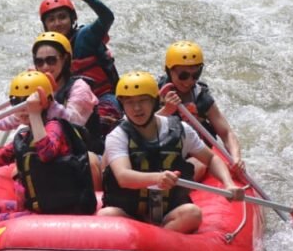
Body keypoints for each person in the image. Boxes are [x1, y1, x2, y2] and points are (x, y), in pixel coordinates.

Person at [98, 71, 243, 234]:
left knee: (192, 213)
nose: (137, 108)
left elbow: (211, 159)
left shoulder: (180, 130)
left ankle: (157, 240)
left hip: (170, 214)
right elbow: (123, 177)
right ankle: (154, 241)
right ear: (122, 105)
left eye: (142, 101)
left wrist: (228, 183)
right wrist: (157, 178)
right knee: (106, 215)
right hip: (130, 215)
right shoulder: (118, 135)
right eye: (129, 102)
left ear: (154, 101)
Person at [0, 70, 98, 223]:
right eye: (17, 103)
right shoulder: (24, 137)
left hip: (61, 208)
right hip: (38, 206)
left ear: (44, 102)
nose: (22, 108)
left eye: (26, 102)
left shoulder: (55, 126)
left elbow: (46, 153)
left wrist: (34, 113)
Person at [0, 32, 104, 152]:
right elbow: (13, 120)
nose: (45, 67)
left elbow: (74, 123)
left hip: (83, 154)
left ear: (65, 59)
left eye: (51, 60)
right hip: (51, 151)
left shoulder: (80, 88)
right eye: (39, 62)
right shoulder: (34, 86)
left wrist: (49, 104)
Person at [38, 0, 121, 135]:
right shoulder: (45, 50)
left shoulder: (85, 37)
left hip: (102, 97)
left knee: (103, 121)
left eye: (62, 17)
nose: (57, 23)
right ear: (45, 25)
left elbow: (107, 17)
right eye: (51, 19)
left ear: (73, 19)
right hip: (68, 101)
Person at [157, 40, 245, 180]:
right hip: (162, 150)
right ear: (169, 70)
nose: (189, 81)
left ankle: (177, 184)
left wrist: (236, 157)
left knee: (201, 163)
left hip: (194, 155)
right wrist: (166, 111)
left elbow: (226, 132)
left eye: (195, 75)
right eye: (183, 75)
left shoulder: (200, 97)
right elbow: (136, 126)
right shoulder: (154, 94)